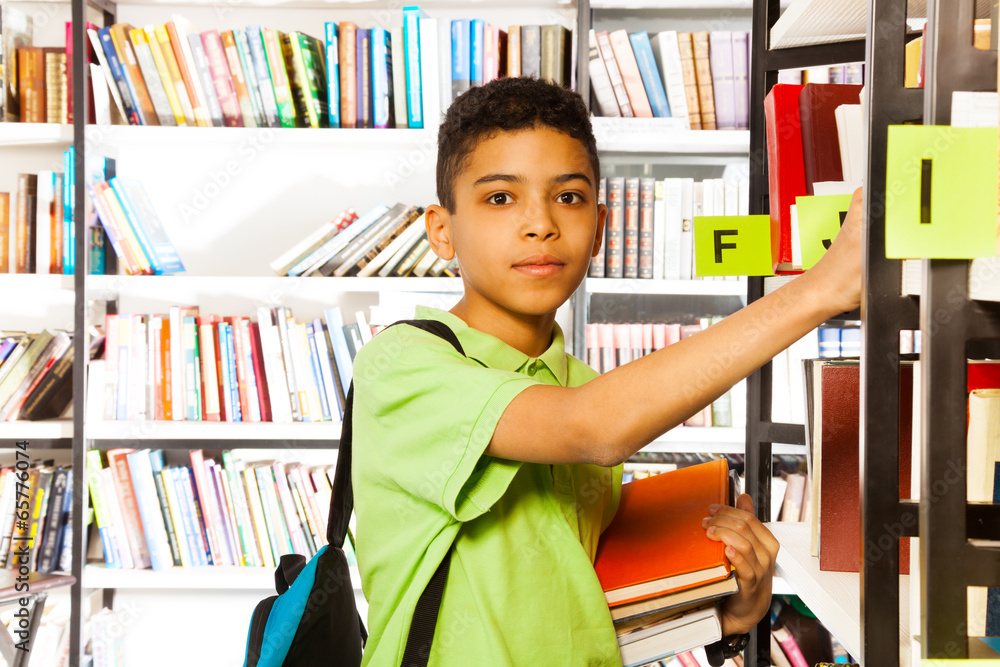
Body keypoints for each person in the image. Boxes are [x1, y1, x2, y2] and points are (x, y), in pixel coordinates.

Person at [351, 76, 863, 666]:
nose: (539, 223)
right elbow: (594, 428)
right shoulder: (404, 364)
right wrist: (819, 290)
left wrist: (726, 616)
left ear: (599, 227)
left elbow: (581, 609)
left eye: (567, 197)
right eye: (500, 198)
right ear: (442, 230)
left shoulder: (581, 383)